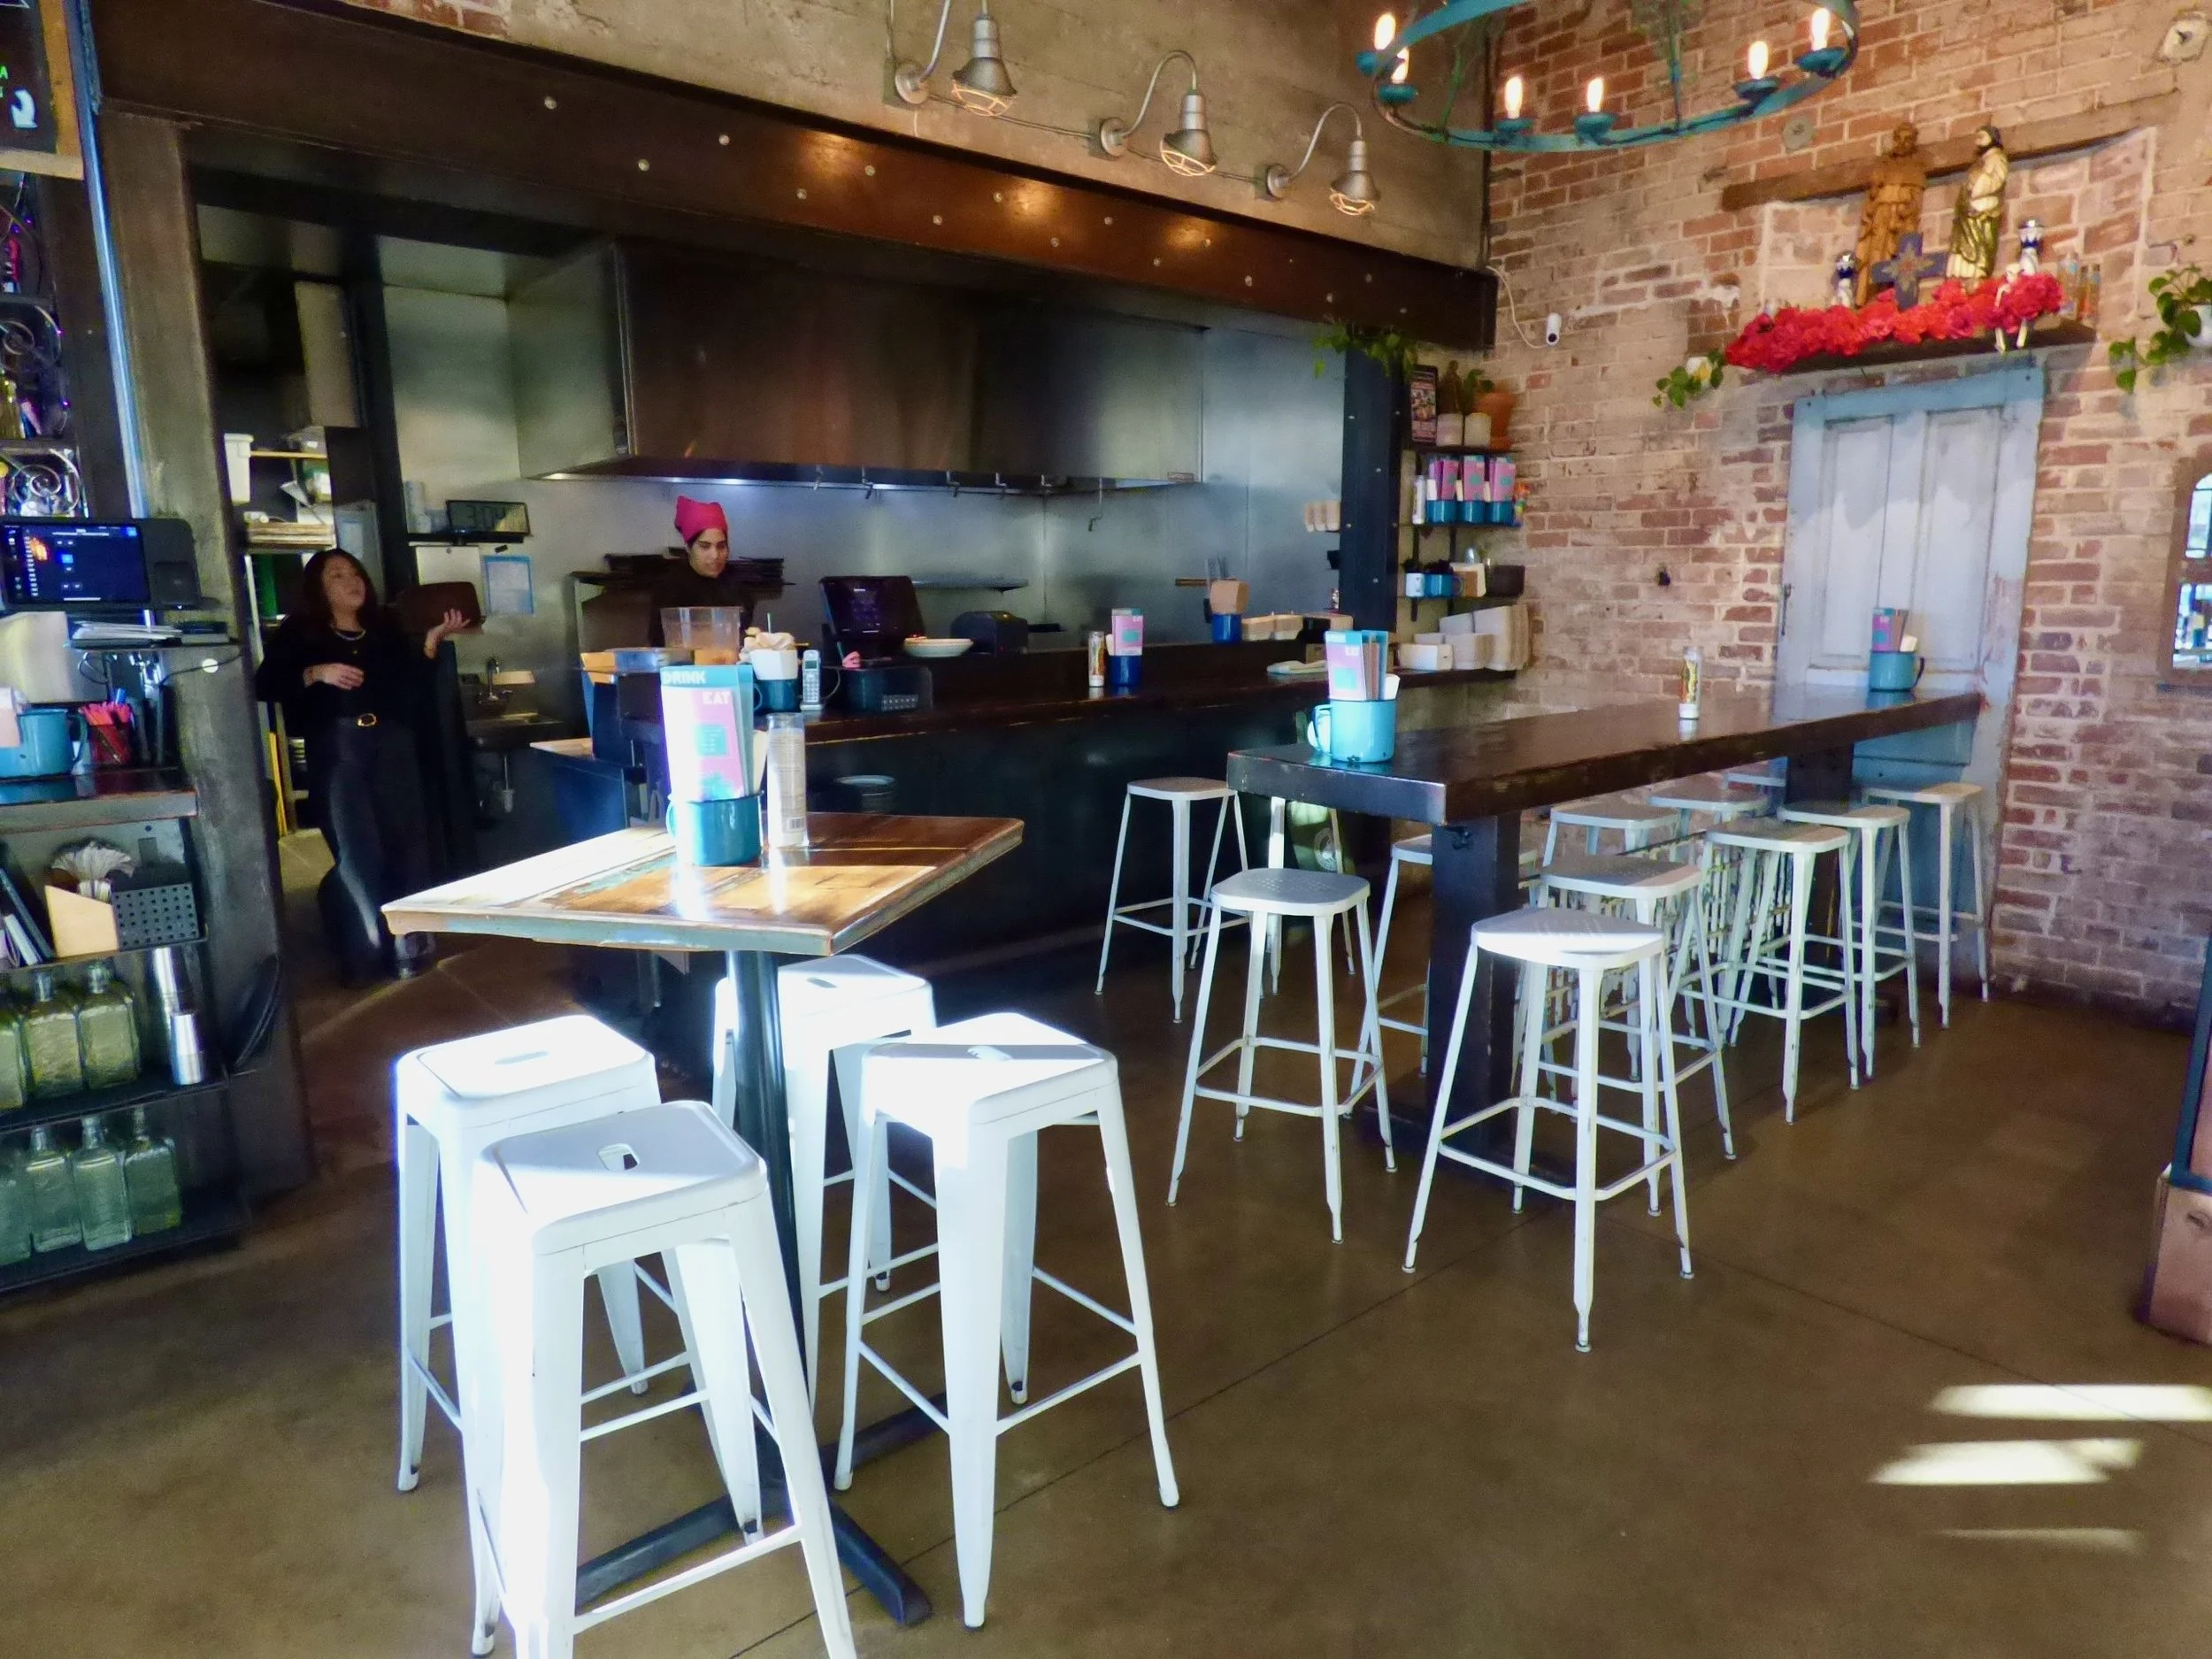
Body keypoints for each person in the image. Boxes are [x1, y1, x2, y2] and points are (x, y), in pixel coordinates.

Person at [253, 549, 469, 984]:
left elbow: (411, 689)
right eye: (338, 575)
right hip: (338, 746)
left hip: (393, 743)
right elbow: (264, 684)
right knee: (357, 851)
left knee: (408, 844)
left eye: (355, 573)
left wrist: (431, 643)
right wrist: (315, 673)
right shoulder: (300, 632)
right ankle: (363, 952)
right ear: (318, 587)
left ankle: (408, 949)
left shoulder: (384, 627)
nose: (352, 581)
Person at [647, 495, 751, 644]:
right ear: (688, 548)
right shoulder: (670, 587)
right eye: (704, 546)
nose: (715, 555)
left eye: (721, 546)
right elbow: (659, 642)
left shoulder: (737, 584)